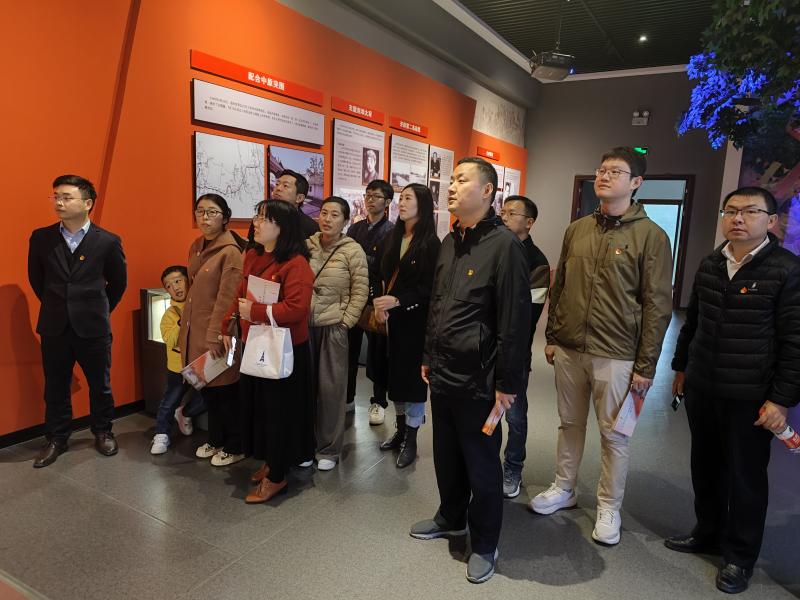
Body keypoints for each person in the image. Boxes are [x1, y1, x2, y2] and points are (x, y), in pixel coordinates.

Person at [531, 147, 673, 546]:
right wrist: (553, 336)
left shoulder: (651, 236)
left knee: (615, 435)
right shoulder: (577, 229)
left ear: (636, 182)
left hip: (617, 353)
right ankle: (565, 487)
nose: (605, 176)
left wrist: (646, 365)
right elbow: (560, 286)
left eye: (616, 171)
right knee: (569, 424)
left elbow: (657, 305)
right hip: (570, 349)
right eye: (601, 170)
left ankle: (609, 505)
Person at [666, 186, 800, 594]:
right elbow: (693, 322)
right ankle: (707, 532)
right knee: (705, 467)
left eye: (750, 211)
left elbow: (795, 341)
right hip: (704, 385)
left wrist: (781, 399)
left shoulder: (786, 270)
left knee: (745, 478)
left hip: (750, 394)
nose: (738, 218)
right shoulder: (711, 262)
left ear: (771, 221)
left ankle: (740, 556)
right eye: (731, 210)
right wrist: (681, 367)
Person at [409, 157, 531, 584]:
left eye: (462, 180)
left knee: (481, 464)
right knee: (446, 455)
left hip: (480, 379)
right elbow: (437, 306)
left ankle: (485, 542)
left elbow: (514, 322)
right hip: (444, 372)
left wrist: (508, 383)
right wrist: (428, 355)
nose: (451, 186)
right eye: (452, 179)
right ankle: (451, 516)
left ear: (488, 191)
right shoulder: (450, 241)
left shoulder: (505, 246)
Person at [27, 174, 127, 468]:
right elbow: (37, 280)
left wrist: (98, 310)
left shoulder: (107, 241)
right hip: (54, 326)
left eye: (66, 197)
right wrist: (59, 306)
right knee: (55, 386)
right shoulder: (41, 238)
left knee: (100, 385)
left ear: (87, 203)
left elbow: (118, 284)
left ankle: (103, 431)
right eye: (56, 196)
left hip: (93, 326)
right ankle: (56, 438)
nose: (59, 202)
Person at [221, 199, 315, 503]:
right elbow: (240, 295)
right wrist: (227, 324)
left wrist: (256, 312)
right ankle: (271, 461)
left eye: (264, 219)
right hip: (256, 343)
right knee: (260, 409)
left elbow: (297, 309)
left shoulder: (296, 264)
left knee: (279, 413)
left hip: (284, 350)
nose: (256, 223)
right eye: (257, 217)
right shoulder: (253, 254)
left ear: (282, 227)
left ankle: (277, 476)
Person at [373, 183, 441, 468]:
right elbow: (380, 276)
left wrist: (399, 301)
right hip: (389, 321)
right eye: (400, 199)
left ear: (422, 205)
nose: (401, 203)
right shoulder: (392, 237)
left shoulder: (431, 244)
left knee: (412, 383)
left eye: (408, 199)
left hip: (414, 323)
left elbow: (430, 289)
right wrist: (379, 305)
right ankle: (400, 430)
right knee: (394, 380)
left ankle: (411, 439)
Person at [180, 193, 244, 466]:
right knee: (208, 391)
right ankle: (216, 439)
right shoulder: (196, 245)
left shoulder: (231, 252)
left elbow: (228, 298)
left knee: (225, 391)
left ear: (225, 218)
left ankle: (236, 445)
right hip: (194, 331)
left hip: (218, 333)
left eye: (212, 212)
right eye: (200, 211)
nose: (205, 217)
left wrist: (217, 333)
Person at [307, 197, 369, 471]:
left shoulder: (352, 250)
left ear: (345, 221)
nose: (327, 219)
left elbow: (360, 291)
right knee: (305, 388)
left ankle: (328, 449)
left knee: (331, 391)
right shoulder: (306, 246)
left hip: (334, 326)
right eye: (324, 213)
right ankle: (305, 444)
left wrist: (346, 322)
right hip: (303, 327)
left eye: (335, 215)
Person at [498, 195, 550, 497]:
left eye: (511, 213)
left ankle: (513, 467)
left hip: (515, 351)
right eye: (502, 211)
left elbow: (527, 316)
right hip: (485, 348)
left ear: (529, 222)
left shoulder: (537, 262)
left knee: (515, 415)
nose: (504, 217)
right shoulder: (494, 248)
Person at [345, 179, 395, 424]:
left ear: (387, 202)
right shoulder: (355, 228)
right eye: (368, 195)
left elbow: (386, 267)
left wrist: (361, 260)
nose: (370, 200)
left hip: (375, 299)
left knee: (377, 355)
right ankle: (348, 398)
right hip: (353, 296)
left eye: (376, 196)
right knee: (349, 352)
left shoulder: (391, 231)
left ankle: (378, 402)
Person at [151, 266, 204, 454]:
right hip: (178, 368)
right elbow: (171, 339)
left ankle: (185, 412)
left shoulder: (202, 305)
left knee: (209, 397)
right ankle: (161, 434)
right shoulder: (169, 315)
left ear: (188, 281)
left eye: (178, 281)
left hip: (199, 365)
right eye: (169, 285)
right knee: (169, 401)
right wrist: (182, 321)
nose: (175, 287)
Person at [272, 169, 319, 239]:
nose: (278, 188)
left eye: (285, 186)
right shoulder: (261, 219)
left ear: (299, 198)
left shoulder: (311, 228)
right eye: (277, 184)